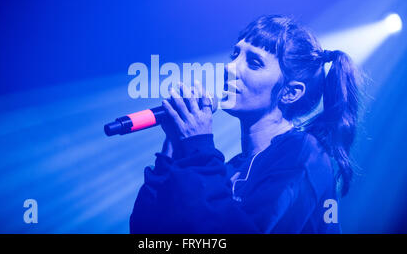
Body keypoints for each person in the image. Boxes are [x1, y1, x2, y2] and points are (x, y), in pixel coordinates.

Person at [130, 14, 361, 233]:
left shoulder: (305, 154)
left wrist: (198, 150)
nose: (229, 68)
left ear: (290, 93)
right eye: (234, 54)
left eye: (254, 62)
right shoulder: (229, 169)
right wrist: (172, 151)